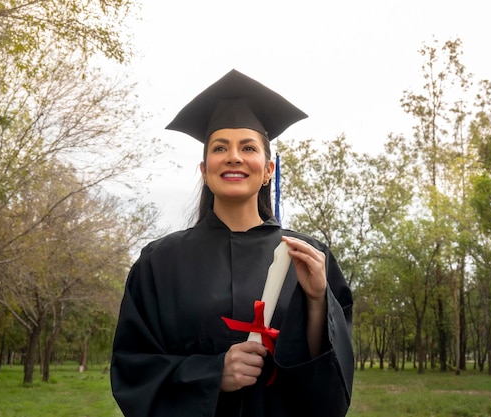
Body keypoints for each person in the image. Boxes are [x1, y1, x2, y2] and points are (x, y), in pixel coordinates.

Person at [110, 69, 354, 417]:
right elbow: (132, 368)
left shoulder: (307, 256)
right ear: (204, 169)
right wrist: (212, 374)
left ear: (268, 169)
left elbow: (331, 381)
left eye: (248, 147)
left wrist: (316, 300)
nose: (234, 157)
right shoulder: (160, 262)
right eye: (220, 147)